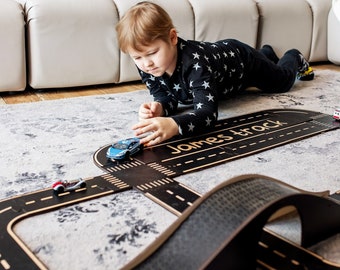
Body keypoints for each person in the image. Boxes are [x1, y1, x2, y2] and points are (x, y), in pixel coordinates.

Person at [115, 1, 314, 147]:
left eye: (151, 53)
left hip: (244, 63)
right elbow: (166, 95)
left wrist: (175, 125)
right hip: (226, 73)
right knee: (266, 64)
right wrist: (159, 108)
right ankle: (266, 54)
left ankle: (293, 56)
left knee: (282, 82)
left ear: (173, 38)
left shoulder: (195, 64)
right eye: (137, 57)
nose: (146, 63)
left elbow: (208, 114)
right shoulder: (147, 65)